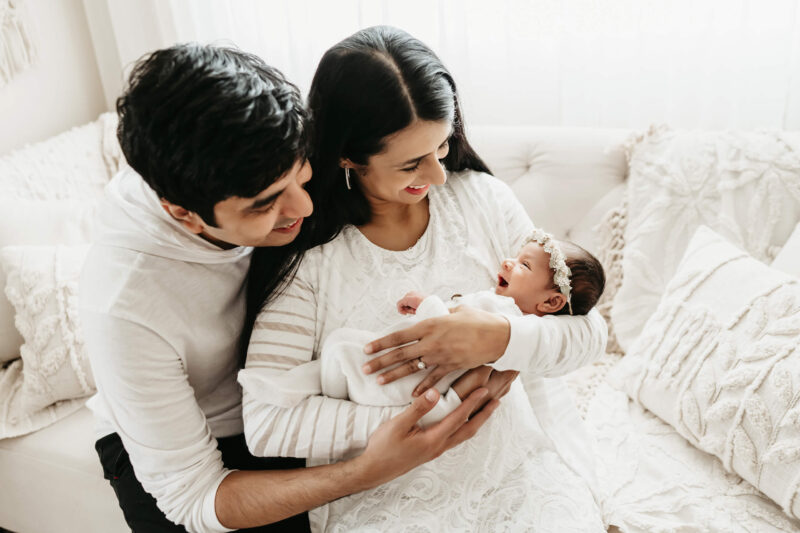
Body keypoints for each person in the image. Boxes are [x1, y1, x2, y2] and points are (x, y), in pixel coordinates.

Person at [80, 43, 496, 533]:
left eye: (302, 174)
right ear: (183, 214)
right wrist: (367, 471)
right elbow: (192, 496)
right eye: (265, 204)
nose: (304, 208)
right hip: (201, 449)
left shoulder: (259, 136)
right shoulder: (127, 306)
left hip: (296, 402)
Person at [240, 26, 609, 532]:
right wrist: (434, 415)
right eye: (411, 163)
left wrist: (498, 337)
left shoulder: (481, 200)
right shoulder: (308, 263)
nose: (438, 175)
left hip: (517, 470)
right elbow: (267, 425)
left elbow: (589, 334)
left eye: (442, 146)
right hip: (388, 494)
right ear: (347, 155)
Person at [239, 229, 605, 426]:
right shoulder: (504, 308)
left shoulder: (503, 310)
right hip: (423, 386)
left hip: (415, 382)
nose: (508, 262)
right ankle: (299, 386)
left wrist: (427, 304)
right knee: (342, 351)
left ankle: (302, 387)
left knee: (341, 348)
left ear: (552, 303)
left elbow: (445, 329)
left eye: (523, 265)